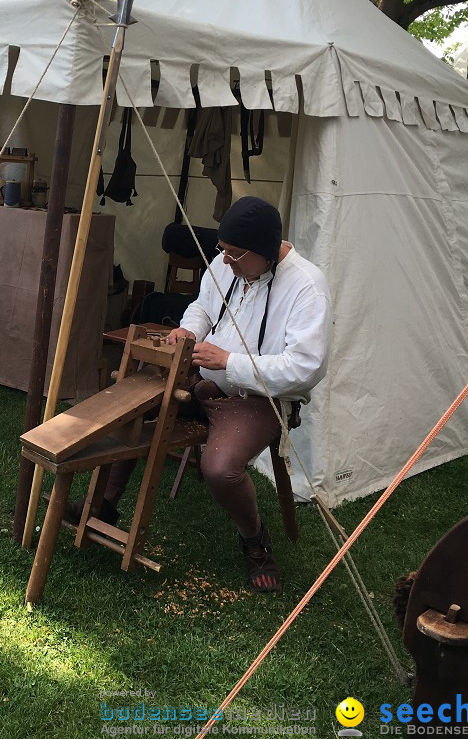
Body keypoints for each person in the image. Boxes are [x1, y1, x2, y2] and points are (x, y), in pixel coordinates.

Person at [72, 196, 332, 593]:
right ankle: (104, 504)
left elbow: (305, 369)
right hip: (204, 378)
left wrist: (230, 361)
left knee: (220, 468)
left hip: (260, 398)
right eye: (222, 252)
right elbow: (202, 308)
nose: (225, 262)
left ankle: (255, 541)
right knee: (132, 404)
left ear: (264, 251)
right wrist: (190, 330)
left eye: (234, 255)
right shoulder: (229, 261)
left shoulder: (307, 287)